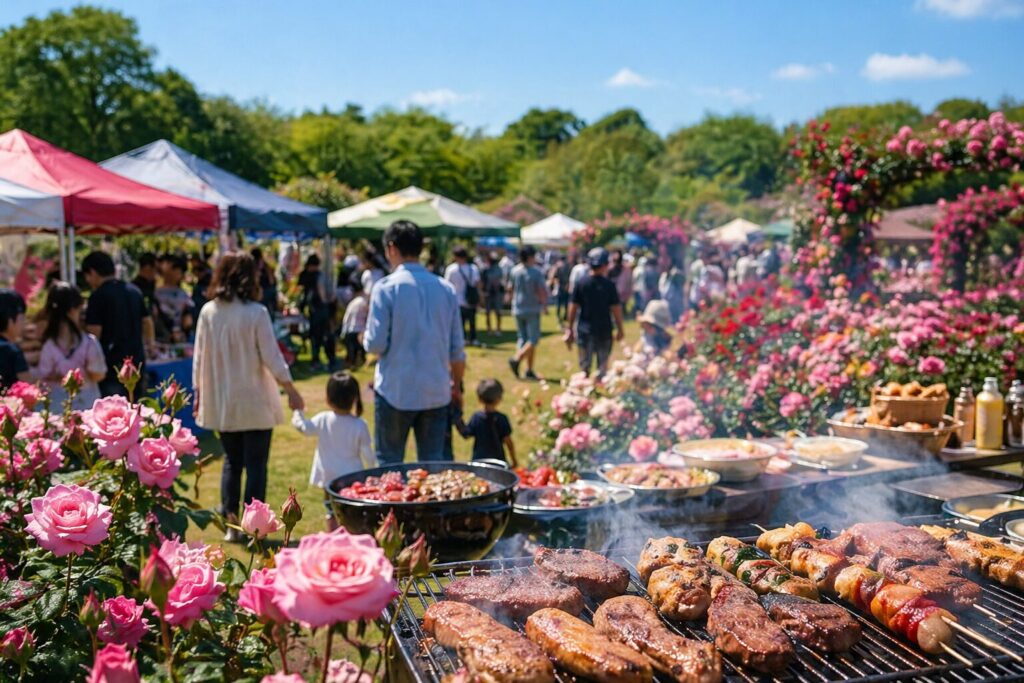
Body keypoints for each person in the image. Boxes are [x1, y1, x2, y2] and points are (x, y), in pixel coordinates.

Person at [193, 251, 304, 541]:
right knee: (255, 466)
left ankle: (232, 526)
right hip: (254, 399)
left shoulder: (208, 311)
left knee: (232, 462)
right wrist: (290, 388)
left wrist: (198, 392)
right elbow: (272, 355)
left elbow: (199, 358)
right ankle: (254, 528)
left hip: (224, 400)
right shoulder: (256, 312)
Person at [364, 220, 466, 464]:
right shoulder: (445, 288)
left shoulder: (386, 288)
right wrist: (457, 386)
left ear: (391, 248)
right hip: (436, 389)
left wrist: (363, 338)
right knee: (434, 468)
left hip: (395, 389)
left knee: (389, 467)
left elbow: (375, 344)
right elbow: (457, 350)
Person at [291, 371, 375, 530]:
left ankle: (333, 536)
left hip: (329, 477)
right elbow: (368, 454)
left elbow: (304, 428)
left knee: (331, 510)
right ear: (354, 398)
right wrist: (372, 473)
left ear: (328, 398)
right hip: (352, 477)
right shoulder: (359, 425)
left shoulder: (323, 419)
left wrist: (298, 412)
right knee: (351, 512)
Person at [82, 251, 153, 397]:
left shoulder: (97, 296)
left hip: (111, 367)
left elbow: (93, 333)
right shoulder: (134, 290)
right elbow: (147, 322)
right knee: (137, 409)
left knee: (115, 413)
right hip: (136, 363)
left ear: (92, 272)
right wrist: (150, 345)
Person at [36, 282, 107, 410]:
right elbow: (98, 374)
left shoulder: (48, 344)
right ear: (74, 309)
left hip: (55, 406)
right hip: (86, 404)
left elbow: (44, 374)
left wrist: (61, 376)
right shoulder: (88, 343)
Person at [565, 247, 625, 378]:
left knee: (584, 368)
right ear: (604, 265)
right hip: (604, 330)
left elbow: (572, 307)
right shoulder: (609, 285)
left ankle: (584, 390)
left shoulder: (581, 283)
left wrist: (569, 328)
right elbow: (616, 309)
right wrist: (620, 328)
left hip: (584, 330)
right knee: (602, 369)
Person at [507, 245, 547, 381]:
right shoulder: (536, 272)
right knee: (533, 339)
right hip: (532, 308)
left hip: (517, 307)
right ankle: (516, 359)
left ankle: (529, 370)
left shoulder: (514, 271)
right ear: (531, 257)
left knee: (524, 339)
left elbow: (510, 288)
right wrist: (544, 304)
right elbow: (540, 290)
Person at [456, 378, 516, 465]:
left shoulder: (476, 418)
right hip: (498, 464)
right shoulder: (502, 419)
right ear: (499, 398)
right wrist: (514, 460)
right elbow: (508, 442)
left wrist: (457, 418)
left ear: (479, 399)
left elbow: (466, 434)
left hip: (479, 463)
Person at [298, 254, 336, 371]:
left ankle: (316, 360)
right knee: (325, 335)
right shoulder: (319, 276)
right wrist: (327, 301)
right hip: (320, 308)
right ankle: (330, 360)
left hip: (312, 309)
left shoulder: (304, 275)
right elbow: (323, 292)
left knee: (315, 336)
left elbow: (302, 292)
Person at [444, 246, 481, 346]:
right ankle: (473, 339)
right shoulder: (473, 268)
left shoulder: (451, 269)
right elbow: (477, 283)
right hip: (471, 299)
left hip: (457, 300)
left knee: (460, 323)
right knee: (472, 321)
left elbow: (447, 285)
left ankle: (463, 339)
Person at [155, 254, 194, 342]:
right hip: (161, 339)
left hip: (179, 340)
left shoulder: (183, 294)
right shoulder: (155, 292)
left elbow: (188, 320)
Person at [0, 289, 30, 389]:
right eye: (22, 318)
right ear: (10, 320)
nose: (24, 323)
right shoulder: (12, 351)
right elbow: (28, 388)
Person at [340, 280, 368, 368]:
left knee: (351, 351)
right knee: (359, 351)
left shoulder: (352, 302)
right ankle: (359, 363)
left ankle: (351, 364)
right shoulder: (364, 302)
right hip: (359, 330)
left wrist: (343, 330)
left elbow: (346, 317)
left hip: (350, 329)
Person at [481, 251, 505, 335]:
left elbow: (500, 280)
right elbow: (483, 282)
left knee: (497, 312)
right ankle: (489, 329)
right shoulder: (485, 269)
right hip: (488, 293)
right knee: (488, 313)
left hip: (497, 293)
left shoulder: (498, 269)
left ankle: (498, 329)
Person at [252, 247, 278, 320]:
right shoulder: (267, 267)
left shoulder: (252, 268)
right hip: (266, 298)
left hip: (260, 298)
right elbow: (273, 283)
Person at [610, 250, 634, 317]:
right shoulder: (610, 268)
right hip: (613, 292)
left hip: (623, 293)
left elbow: (629, 281)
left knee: (622, 306)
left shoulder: (625, 269)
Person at [548, 255, 571, 323]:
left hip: (560, 286)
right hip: (566, 286)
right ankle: (565, 316)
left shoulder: (558, 267)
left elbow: (555, 277)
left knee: (559, 303)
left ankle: (558, 316)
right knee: (566, 302)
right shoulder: (568, 266)